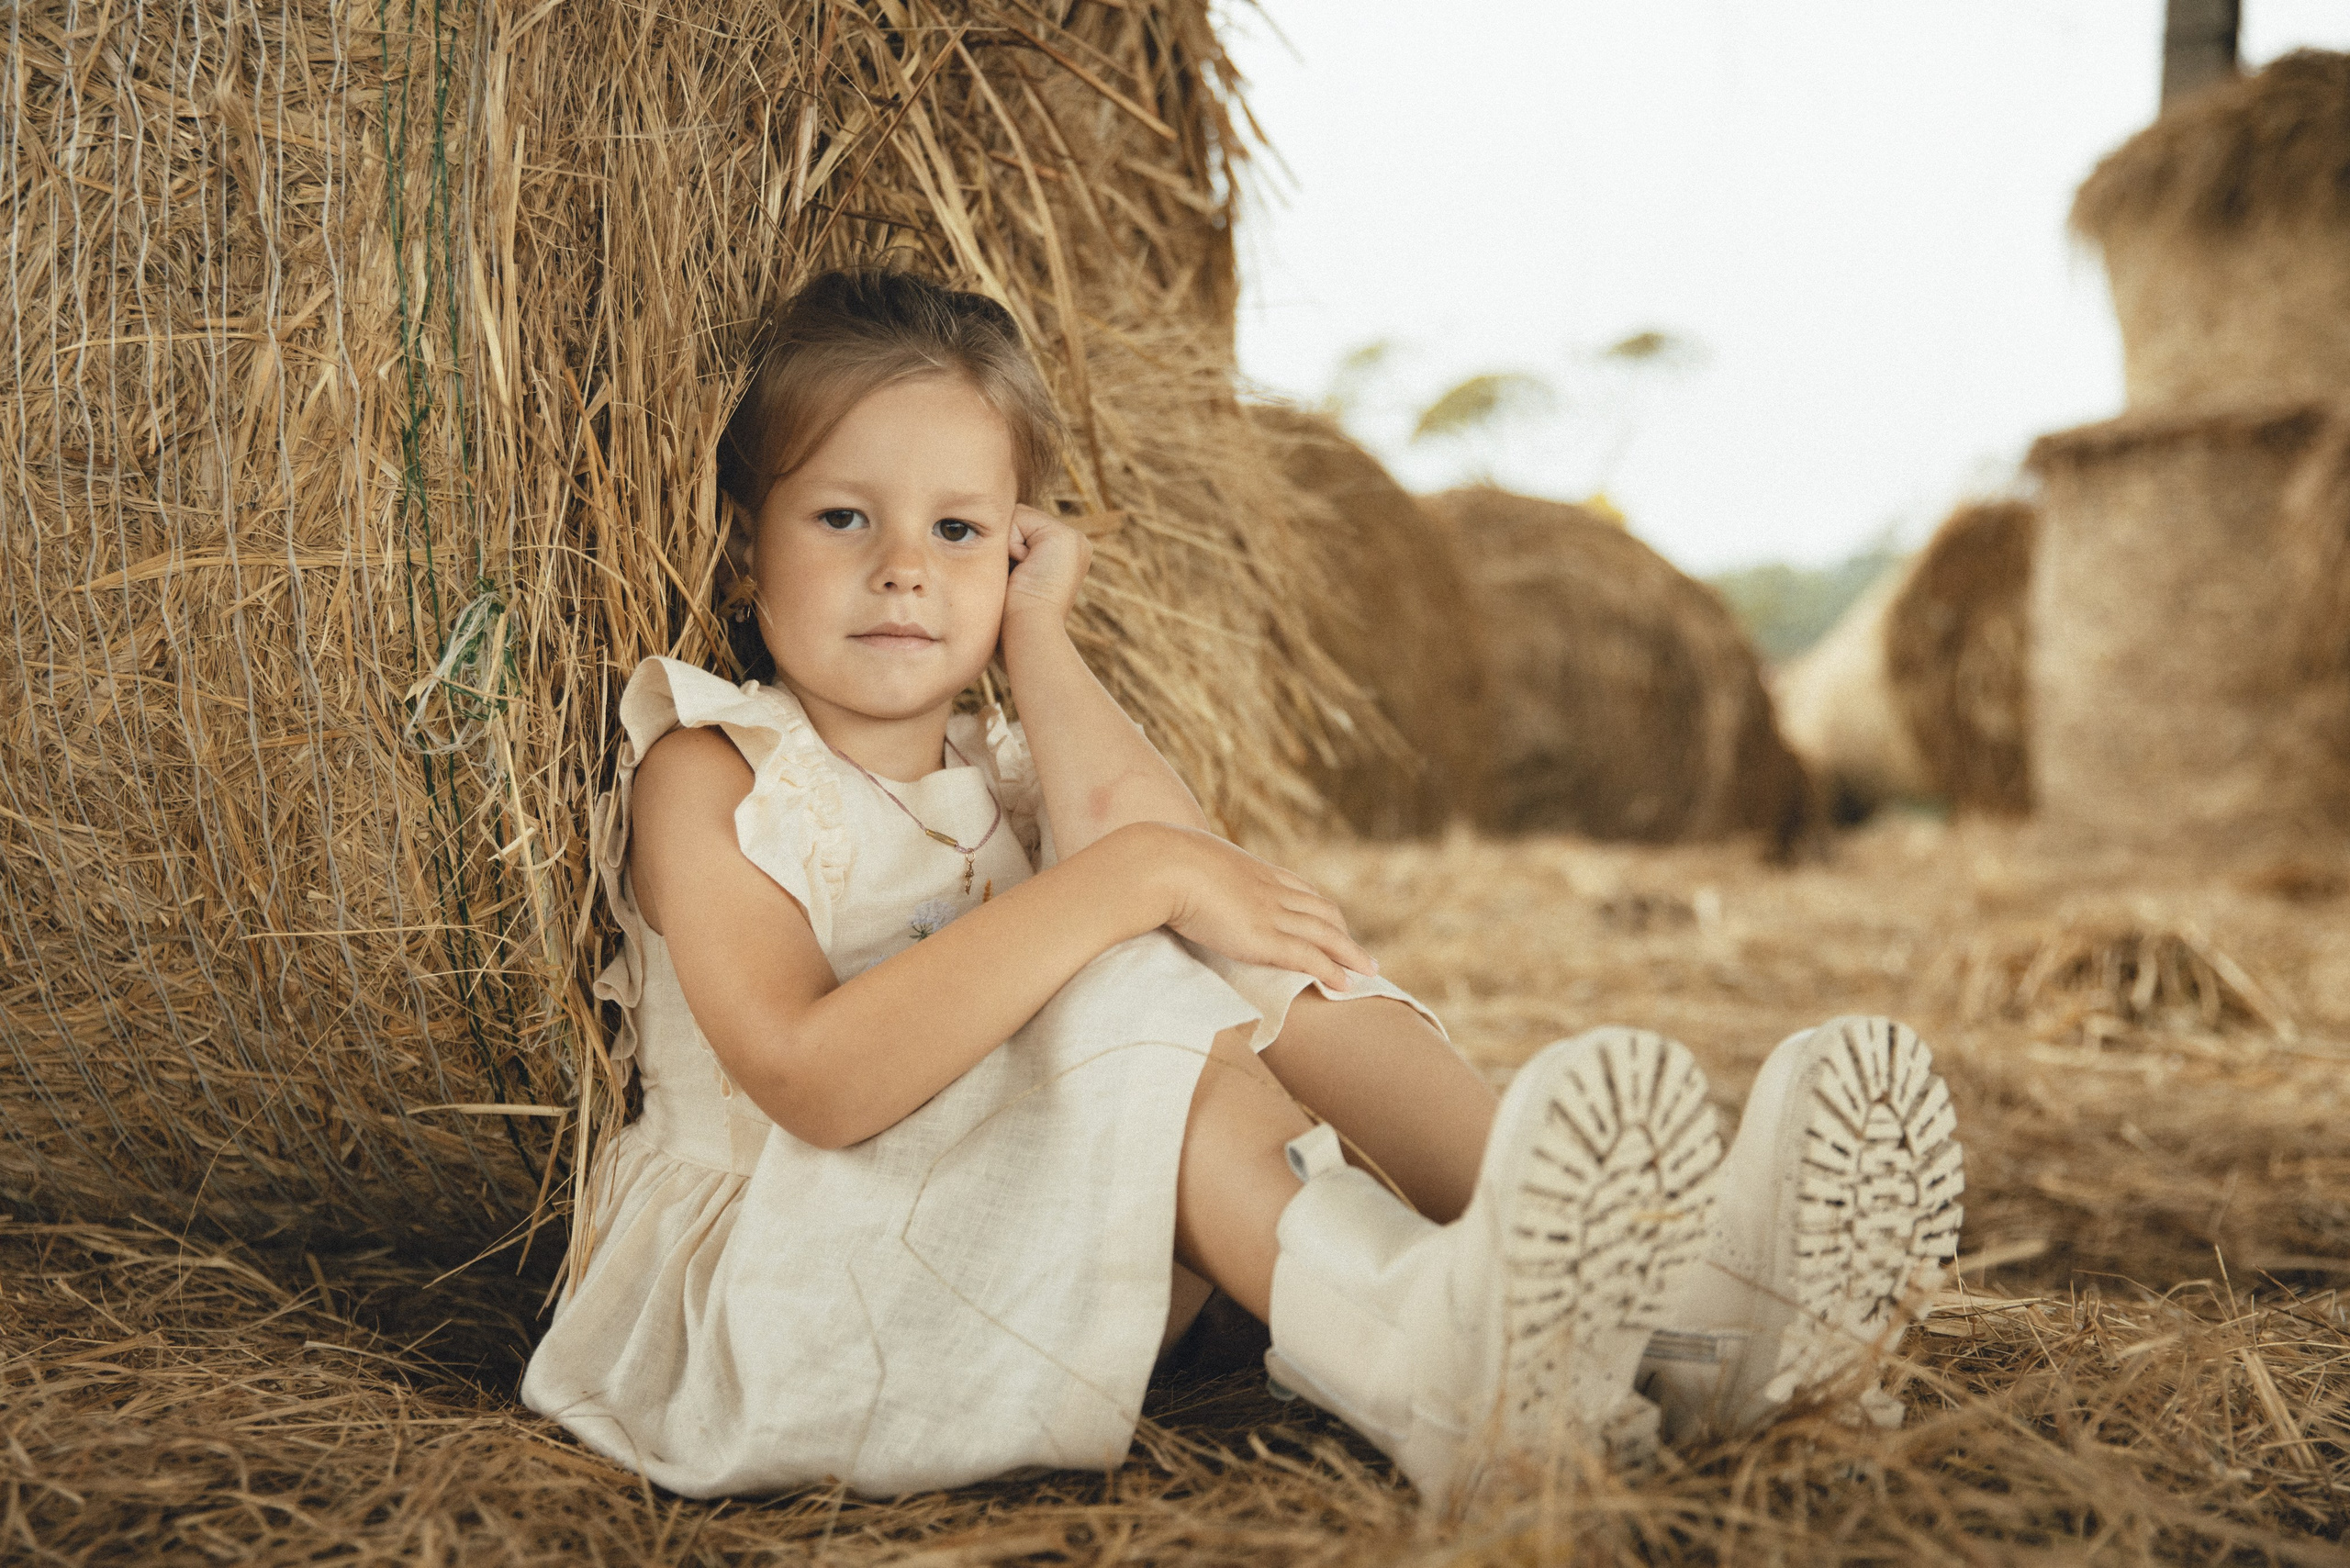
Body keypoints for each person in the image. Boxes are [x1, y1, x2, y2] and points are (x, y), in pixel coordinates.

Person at [520, 269, 1966, 1511]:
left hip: (1009, 1225)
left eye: (962, 531)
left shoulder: (1008, 756)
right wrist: (1142, 881)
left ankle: (1671, 1318)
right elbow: (817, 1080)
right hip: (800, 1283)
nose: (907, 568)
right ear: (745, 539)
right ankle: (1429, 1354)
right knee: (1139, 940)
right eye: (845, 517)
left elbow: (1177, 856)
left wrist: (1040, 636)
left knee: (1235, 936)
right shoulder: (713, 771)